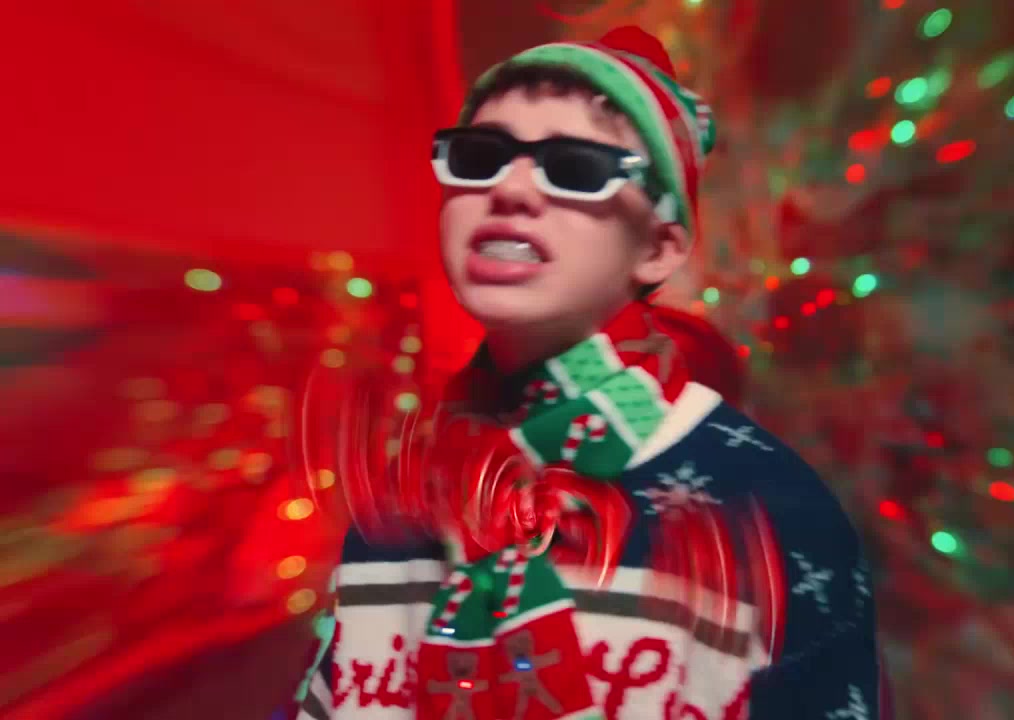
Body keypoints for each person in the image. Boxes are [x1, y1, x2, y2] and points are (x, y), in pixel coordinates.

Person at [296, 27, 883, 720]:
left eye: (575, 168)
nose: (510, 189)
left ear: (660, 248)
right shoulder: (402, 495)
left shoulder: (767, 509)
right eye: (480, 158)